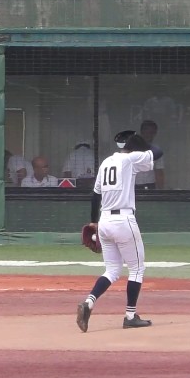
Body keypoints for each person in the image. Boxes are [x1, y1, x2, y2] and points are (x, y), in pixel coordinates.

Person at [75, 129, 163, 332]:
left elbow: (95, 195)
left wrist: (93, 222)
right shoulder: (130, 159)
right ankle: (130, 316)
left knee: (112, 270)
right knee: (137, 269)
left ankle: (89, 302)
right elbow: (158, 152)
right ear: (134, 147)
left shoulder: (106, 162)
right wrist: (144, 144)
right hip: (123, 220)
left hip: (104, 221)